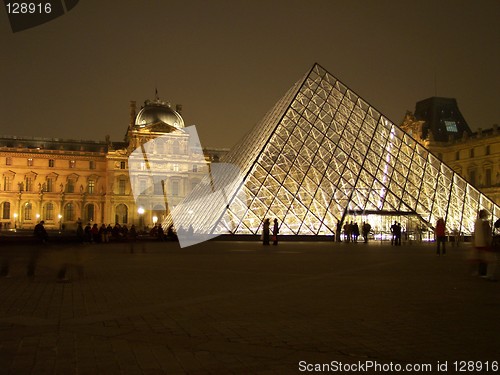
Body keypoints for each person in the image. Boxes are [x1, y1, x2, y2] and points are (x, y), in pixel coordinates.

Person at [472, 209, 494, 280]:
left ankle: (480, 272)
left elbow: (475, 233)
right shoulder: (485, 223)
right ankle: (486, 273)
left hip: (478, 242)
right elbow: (486, 233)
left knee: (481, 258)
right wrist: (488, 241)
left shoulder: (476, 222)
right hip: (484, 243)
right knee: (487, 259)